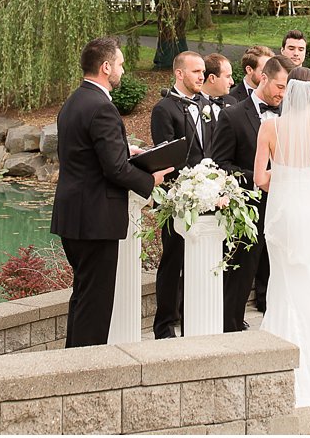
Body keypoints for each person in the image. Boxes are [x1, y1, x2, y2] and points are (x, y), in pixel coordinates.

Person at [50, 38, 168, 347]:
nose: (122, 69)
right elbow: (115, 170)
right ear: (105, 67)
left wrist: (123, 147)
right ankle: (85, 372)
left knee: (84, 295)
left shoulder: (75, 100)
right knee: (96, 303)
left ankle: (72, 363)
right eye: (120, 64)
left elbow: (84, 151)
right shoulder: (102, 107)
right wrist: (150, 181)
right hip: (95, 220)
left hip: (73, 215)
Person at [254, 76, 310, 406]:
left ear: (288, 94)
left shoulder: (270, 127)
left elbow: (260, 178)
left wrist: (285, 175)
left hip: (283, 212)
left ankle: (280, 348)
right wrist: (301, 174)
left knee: (285, 279)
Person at [210, 54, 291, 332]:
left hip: (283, 212)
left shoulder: (289, 118)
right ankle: (229, 330)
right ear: (264, 78)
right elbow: (220, 165)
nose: (283, 93)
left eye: (287, 89)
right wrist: (260, 179)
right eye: (280, 86)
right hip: (249, 212)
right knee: (240, 277)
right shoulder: (232, 115)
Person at [150, 50, 221, 338]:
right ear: (179, 74)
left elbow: (214, 148)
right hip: (177, 198)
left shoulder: (208, 104)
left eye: (203, 71)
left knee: (204, 259)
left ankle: (196, 320)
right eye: (195, 71)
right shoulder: (163, 109)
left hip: (210, 195)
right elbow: (166, 155)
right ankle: (164, 326)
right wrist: (188, 186)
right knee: (173, 260)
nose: (202, 76)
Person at [201, 52, 236, 117]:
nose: (232, 82)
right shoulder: (194, 103)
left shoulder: (232, 102)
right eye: (228, 77)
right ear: (212, 78)